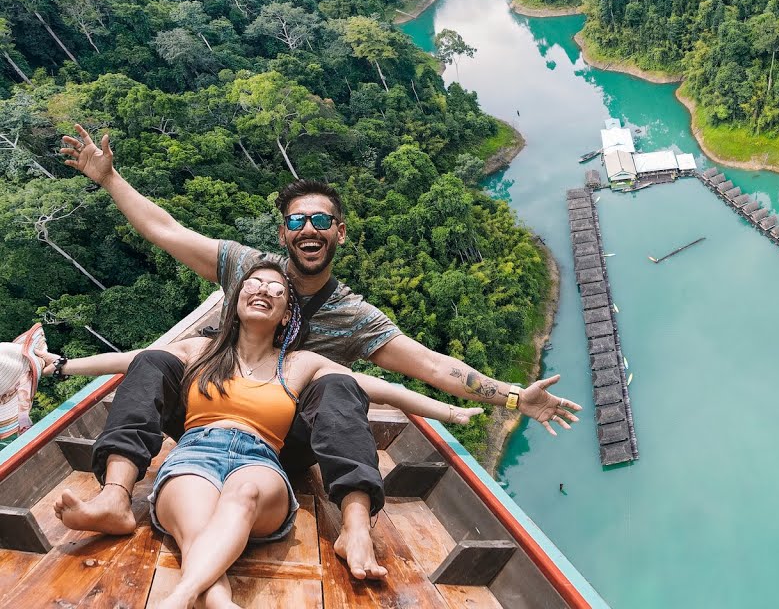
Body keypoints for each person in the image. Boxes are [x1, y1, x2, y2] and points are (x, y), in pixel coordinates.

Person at [58, 124, 581, 579]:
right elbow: (166, 230)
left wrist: (514, 398)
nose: (308, 229)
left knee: (336, 386)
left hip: (287, 440)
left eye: (320, 221)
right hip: (206, 414)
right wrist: (108, 177)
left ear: (339, 233)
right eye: (296, 221)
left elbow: (434, 366)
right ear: (284, 234)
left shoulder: (353, 318)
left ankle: (355, 530)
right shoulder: (248, 272)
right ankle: (114, 497)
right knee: (154, 361)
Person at [40, 263, 483, 609]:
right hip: (195, 452)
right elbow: (127, 361)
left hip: (262, 461)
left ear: (286, 313)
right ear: (235, 302)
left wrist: (450, 411)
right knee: (152, 368)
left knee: (247, 489)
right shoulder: (200, 350)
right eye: (254, 284)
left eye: (277, 289)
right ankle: (122, 504)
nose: (264, 291)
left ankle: (180, 596)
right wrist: (60, 365)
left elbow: (382, 388)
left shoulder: (301, 364)